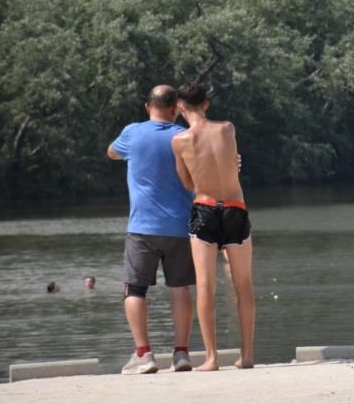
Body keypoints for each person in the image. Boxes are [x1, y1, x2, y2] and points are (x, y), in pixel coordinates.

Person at [108, 85, 196, 374]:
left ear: (148, 107)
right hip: (180, 227)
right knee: (180, 288)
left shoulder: (132, 133)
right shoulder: (184, 136)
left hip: (142, 228)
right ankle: (181, 353)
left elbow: (111, 153)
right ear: (175, 109)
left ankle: (144, 355)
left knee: (134, 289)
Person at [172, 82, 255, 371]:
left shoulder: (180, 141)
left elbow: (186, 183)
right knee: (243, 285)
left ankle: (211, 357)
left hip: (205, 209)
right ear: (206, 104)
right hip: (235, 208)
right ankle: (246, 356)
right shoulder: (227, 129)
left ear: (180, 107)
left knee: (206, 286)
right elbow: (234, 163)